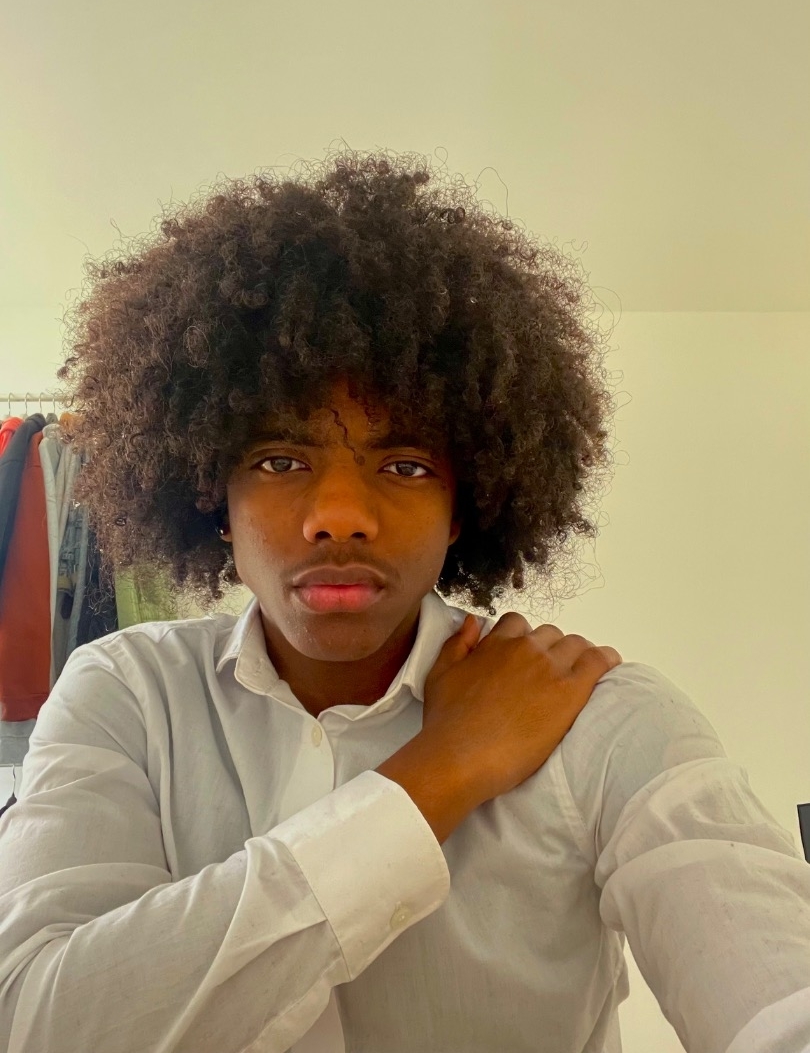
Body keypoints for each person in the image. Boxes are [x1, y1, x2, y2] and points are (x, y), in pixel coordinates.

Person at [0, 150, 807, 1053]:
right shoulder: (123, 696)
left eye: (407, 465)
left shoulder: (596, 718)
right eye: (280, 459)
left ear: (467, 506)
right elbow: (40, 1024)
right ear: (212, 500)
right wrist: (443, 769)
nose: (340, 515)